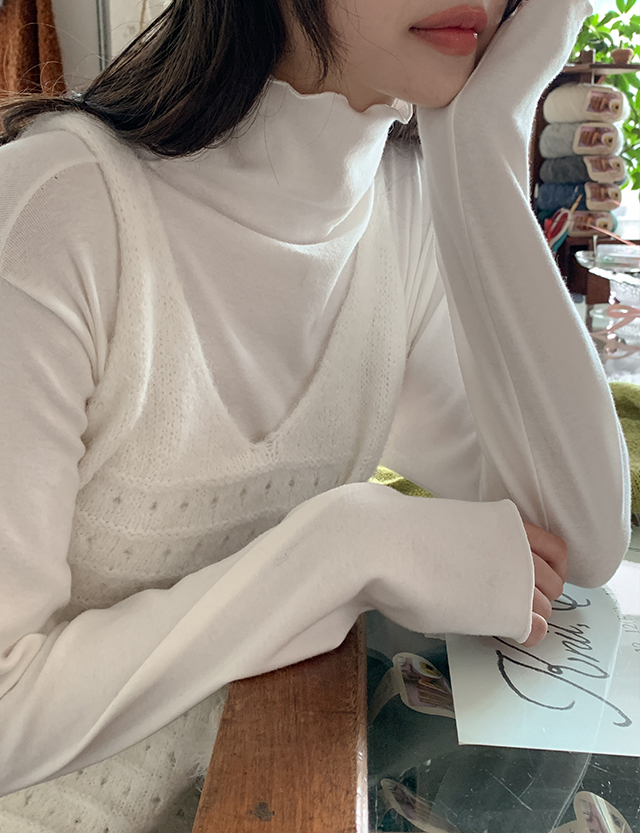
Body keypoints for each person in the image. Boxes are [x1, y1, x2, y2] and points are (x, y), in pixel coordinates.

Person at [0, 0, 631, 830]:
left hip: (266, 792)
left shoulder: (395, 210)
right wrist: (347, 548)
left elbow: (574, 543)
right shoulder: (54, 209)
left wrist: (482, 142)